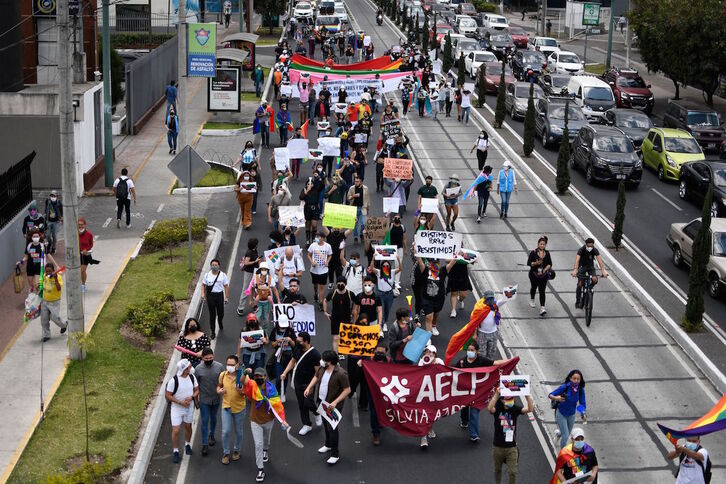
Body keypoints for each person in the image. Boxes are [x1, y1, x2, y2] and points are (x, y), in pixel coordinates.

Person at [244, 367, 290, 482]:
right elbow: (242, 381)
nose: (258, 378)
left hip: (269, 420)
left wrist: (283, 420)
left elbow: (277, 406)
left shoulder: (272, 389)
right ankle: (260, 469)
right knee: (258, 444)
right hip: (255, 420)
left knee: (266, 440)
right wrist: (244, 372)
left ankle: (266, 450)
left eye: (261, 376)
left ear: (265, 377)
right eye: (256, 376)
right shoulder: (252, 385)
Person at [304, 350, 351, 465]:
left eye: (324, 359)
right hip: (322, 402)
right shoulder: (322, 369)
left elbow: (347, 390)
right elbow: (316, 377)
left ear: (330, 362)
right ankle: (328, 444)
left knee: (332, 428)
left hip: (332, 406)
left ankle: (335, 454)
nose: (321, 361)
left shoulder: (341, 373)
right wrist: (309, 387)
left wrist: (335, 402)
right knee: (326, 425)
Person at [456, 341, 505, 440]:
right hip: (465, 392)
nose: (470, 352)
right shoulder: (461, 362)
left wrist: (510, 361)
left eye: (472, 350)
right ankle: (464, 421)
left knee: (474, 411)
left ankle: (474, 435)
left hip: (477, 392)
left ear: (477, 351)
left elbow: (495, 363)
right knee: (464, 408)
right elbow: (451, 370)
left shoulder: (481, 360)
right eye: (468, 350)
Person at [488, 386, 534, 483]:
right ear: (503, 400)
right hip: (498, 447)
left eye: (512, 399)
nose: (511, 401)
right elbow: (490, 408)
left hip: (511, 447)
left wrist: (527, 396)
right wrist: (496, 394)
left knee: (513, 472)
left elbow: (530, 409)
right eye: (508, 399)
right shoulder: (498, 409)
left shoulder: (515, 409)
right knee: (497, 470)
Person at [280, 331, 322, 435]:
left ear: (306, 342)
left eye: (299, 341)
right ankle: (307, 424)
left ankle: (317, 413)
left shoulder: (315, 354)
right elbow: (293, 361)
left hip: (309, 383)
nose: (297, 342)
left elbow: (318, 372)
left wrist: (312, 386)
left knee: (308, 402)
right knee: (301, 404)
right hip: (298, 381)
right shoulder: (298, 349)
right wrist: (285, 372)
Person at [165, 359, 199, 463]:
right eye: (189, 366)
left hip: (189, 407)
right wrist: (180, 402)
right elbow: (168, 394)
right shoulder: (174, 381)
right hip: (177, 408)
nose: (191, 367)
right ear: (184, 369)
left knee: (188, 427)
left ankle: (187, 444)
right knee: (176, 430)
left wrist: (192, 397)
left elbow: (197, 390)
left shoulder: (192, 377)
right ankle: (175, 450)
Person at [217, 355, 247, 465]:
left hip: (239, 408)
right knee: (226, 431)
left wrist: (241, 392)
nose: (229, 367)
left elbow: (248, 392)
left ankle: (236, 450)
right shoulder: (222, 375)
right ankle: (226, 452)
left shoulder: (243, 376)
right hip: (226, 407)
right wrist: (219, 391)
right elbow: (218, 386)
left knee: (238, 431)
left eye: (232, 365)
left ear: (237, 365)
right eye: (228, 364)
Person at [416, 257, 456, 336]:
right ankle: (427, 336)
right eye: (432, 262)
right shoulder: (426, 270)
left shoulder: (443, 271)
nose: (434, 264)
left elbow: (452, 263)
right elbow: (420, 262)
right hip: (427, 298)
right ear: (430, 263)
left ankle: (433, 325)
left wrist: (456, 255)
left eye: (436, 262)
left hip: (439, 298)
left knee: (436, 313)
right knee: (428, 316)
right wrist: (416, 251)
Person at [195, 347, 224, 456]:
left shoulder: (219, 367)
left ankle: (211, 434)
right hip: (204, 399)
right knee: (205, 420)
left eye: (210, 358)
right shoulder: (198, 369)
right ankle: (204, 443)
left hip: (216, 398)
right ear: (202, 358)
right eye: (206, 358)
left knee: (214, 418)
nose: (209, 359)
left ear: (213, 357)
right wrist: (196, 400)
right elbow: (196, 385)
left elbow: (223, 382)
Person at [548, 369, 587, 449]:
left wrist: (583, 413)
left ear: (580, 380)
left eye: (578, 379)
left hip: (571, 414)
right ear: (570, 378)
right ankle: (563, 454)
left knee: (566, 433)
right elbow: (550, 395)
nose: (576, 381)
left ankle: (558, 434)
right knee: (565, 436)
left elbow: (582, 403)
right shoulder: (564, 387)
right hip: (561, 413)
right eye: (574, 378)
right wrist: (556, 398)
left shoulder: (580, 390)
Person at [418, 344, 443, 449]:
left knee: (433, 414)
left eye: (430, 352)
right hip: (424, 393)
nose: (428, 354)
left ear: (435, 354)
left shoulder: (439, 361)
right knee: (424, 414)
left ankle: (430, 428)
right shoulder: (421, 362)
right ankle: (423, 438)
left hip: (436, 393)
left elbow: (444, 374)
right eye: (427, 352)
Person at [572, 237, 608, 309]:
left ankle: (590, 288)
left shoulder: (595, 250)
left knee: (595, 279)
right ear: (586, 245)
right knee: (580, 284)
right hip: (582, 267)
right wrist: (575, 270)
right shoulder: (581, 250)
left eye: (591, 246)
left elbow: (600, 261)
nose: (590, 247)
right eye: (589, 246)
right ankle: (578, 301)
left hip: (590, 267)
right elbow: (577, 260)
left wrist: (603, 271)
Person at [324, 276, 355, 354]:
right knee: (335, 338)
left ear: (345, 284)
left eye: (342, 283)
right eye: (339, 283)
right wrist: (325, 312)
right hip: (335, 318)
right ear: (336, 284)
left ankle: (341, 352)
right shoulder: (333, 293)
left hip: (346, 317)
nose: (340, 284)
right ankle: (336, 356)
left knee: (345, 337)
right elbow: (325, 300)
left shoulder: (350, 293)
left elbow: (356, 303)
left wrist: (353, 312)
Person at [201, 258, 229, 340]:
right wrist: (202, 294)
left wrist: (226, 297)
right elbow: (203, 285)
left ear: (219, 266)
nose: (214, 266)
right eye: (212, 265)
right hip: (210, 296)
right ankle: (213, 331)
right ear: (210, 266)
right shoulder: (207, 275)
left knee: (221, 313)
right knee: (212, 315)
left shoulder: (223, 275)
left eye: (215, 265)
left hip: (219, 295)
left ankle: (220, 321)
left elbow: (226, 286)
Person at [270, 314, 296, 399]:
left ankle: (283, 392)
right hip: (279, 356)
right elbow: (272, 345)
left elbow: (294, 345)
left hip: (288, 356)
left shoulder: (290, 331)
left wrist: (290, 340)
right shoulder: (274, 331)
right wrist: (277, 341)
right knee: (278, 377)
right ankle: (277, 391)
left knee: (285, 375)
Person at [39, 262, 67, 342]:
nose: (48, 273)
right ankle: (46, 335)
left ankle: (64, 325)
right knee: (44, 320)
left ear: (53, 271)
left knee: (54, 317)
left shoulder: (58, 277)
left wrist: (55, 279)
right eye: (46, 271)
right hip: (45, 301)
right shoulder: (44, 276)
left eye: (50, 271)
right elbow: (42, 284)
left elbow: (58, 289)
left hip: (54, 302)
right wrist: (39, 286)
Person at [528, 235, 553, 316]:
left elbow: (550, 264)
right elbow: (529, 263)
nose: (542, 245)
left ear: (545, 245)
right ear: (538, 244)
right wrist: (536, 263)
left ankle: (542, 308)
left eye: (543, 244)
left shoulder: (547, 253)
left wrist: (544, 270)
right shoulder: (533, 252)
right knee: (534, 287)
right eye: (541, 244)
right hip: (533, 275)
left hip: (543, 276)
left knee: (542, 291)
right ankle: (532, 300)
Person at [374, 258, 401, 331]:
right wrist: (373, 257)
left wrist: (398, 259)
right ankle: (380, 329)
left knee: (387, 310)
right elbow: (372, 267)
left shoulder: (392, 272)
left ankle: (384, 323)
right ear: (381, 266)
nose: (385, 267)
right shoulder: (379, 272)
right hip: (381, 295)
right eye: (384, 266)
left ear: (389, 266)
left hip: (389, 295)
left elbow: (400, 269)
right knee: (381, 312)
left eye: (387, 266)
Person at [308, 230, 332, 306]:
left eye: (318, 236)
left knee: (322, 286)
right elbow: (309, 254)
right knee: (315, 284)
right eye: (316, 236)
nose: (316, 238)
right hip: (314, 270)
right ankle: (315, 293)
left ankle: (321, 302)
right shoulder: (313, 245)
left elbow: (330, 255)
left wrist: (327, 261)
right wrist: (312, 262)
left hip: (324, 270)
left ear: (323, 238)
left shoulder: (327, 246)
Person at [238, 238, 261, 315]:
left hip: (255, 272)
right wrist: (255, 261)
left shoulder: (255, 250)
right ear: (254, 244)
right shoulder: (249, 252)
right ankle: (240, 307)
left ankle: (254, 305)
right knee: (246, 289)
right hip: (249, 272)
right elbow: (246, 263)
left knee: (254, 288)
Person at [252, 263, 274, 334]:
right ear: (260, 270)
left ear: (267, 270)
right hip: (259, 302)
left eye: (265, 269)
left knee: (266, 320)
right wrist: (250, 300)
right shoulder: (255, 278)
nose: (264, 271)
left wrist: (278, 301)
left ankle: (265, 333)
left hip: (267, 302)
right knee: (257, 319)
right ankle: (256, 332)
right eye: (262, 269)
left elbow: (274, 289)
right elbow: (251, 288)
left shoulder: (270, 279)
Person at [347, 174, 370, 243]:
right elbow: (348, 198)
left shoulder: (365, 188)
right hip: (354, 208)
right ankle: (355, 236)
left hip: (363, 208)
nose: (356, 183)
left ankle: (361, 233)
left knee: (363, 223)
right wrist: (354, 196)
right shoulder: (352, 188)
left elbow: (368, 199)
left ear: (361, 182)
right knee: (355, 224)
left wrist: (368, 208)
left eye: (357, 181)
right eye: (355, 181)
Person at [77, 218, 95, 292]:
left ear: (85, 225)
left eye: (82, 225)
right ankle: (81, 283)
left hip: (85, 255)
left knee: (82, 270)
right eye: (79, 225)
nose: (80, 226)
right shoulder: (75, 234)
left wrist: (86, 249)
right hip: (77, 255)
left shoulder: (89, 234)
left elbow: (91, 244)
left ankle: (83, 285)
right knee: (82, 272)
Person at [44, 190, 62, 255]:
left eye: (54, 196)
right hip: (48, 221)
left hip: (56, 222)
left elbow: (62, 211)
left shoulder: (59, 203)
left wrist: (61, 217)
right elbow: (46, 209)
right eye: (51, 196)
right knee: (47, 235)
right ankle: (50, 243)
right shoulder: (47, 201)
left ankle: (53, 248)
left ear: (57, 196)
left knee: (54, 235)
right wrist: (46, 215)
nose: (53, 197)